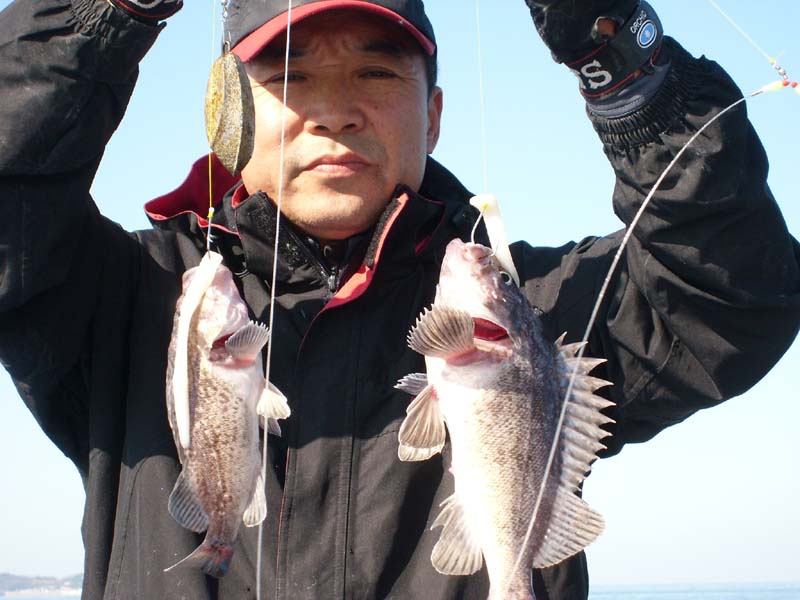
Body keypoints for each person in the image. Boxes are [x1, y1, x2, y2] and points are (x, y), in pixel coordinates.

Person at [0, 0, 798, 598]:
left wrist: (616, 53)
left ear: (434, 115)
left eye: (377, 73)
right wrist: (104, 13)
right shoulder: (135, 299)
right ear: (230, 115)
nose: (334, 111)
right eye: (290, 77)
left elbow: (736, 295)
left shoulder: (523, 310)